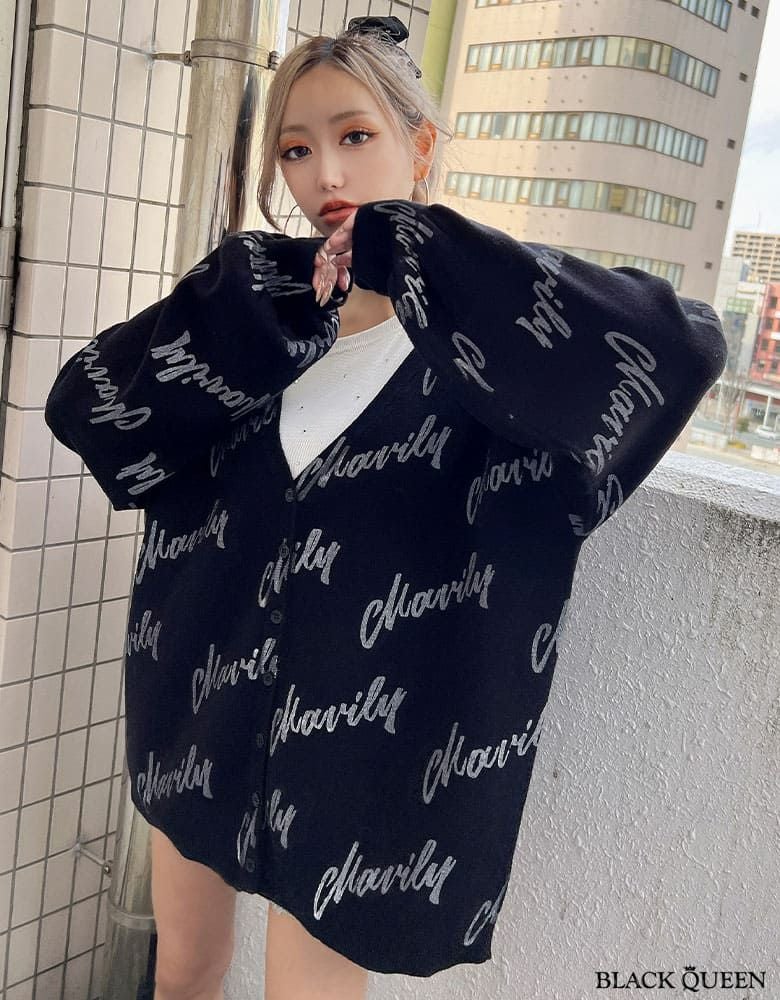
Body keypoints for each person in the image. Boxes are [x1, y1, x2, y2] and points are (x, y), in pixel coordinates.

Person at [43, 16, 728, 1000]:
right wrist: (243, 301)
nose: (325, 173)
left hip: (362, 775)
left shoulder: (492, 356)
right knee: (184, 970)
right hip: (199, 715)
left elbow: (679, 349)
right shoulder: (261, 319)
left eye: (356, 135)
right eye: (295, 148)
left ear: (421, 144)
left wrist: (422, 253)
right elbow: (89, 409)